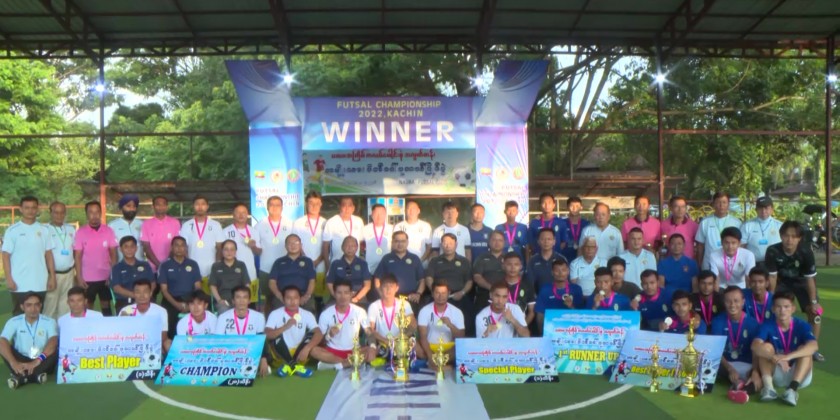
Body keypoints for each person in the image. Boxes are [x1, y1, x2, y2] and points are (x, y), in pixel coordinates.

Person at [764, 220, 822, 361]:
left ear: (799, 238)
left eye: (794, 236)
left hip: (801, 282)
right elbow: (772, 277)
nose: (789, 240)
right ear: (781, 236)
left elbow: (810, 279)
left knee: (816, 313)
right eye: (786, 236)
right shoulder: (772, 251)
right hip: (781, 282)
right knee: (774, 310)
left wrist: (814, 302)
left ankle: (812, 347)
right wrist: (771, 298)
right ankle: (774, 345)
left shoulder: (806, 252)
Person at [752, 292, 818, 406]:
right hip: (777, 373)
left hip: (799, 375)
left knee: (805, 349)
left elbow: (814, 346)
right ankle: (769, 388)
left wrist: (787, 357)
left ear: (793, 309)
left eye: (786, 307)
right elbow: (755, 346)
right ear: (773, 309)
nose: (782, 310)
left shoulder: (802, 325)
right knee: (765, 348)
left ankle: (792, 390)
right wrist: (774, 357)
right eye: (778, 307)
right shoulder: (767, 325)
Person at [2, 196, 55, 316]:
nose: (30, 211)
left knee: (38, 315)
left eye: (33, 208)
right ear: (21, 209)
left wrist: (52, 277)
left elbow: (49, 254)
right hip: (19, 283)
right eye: (27, 208)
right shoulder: (12, 231)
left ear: (37, 209)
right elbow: (5, 256)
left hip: (40, 283)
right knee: (19, 316)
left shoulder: (44, 230)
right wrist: (9, 279)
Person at [710, 286, 761, 404]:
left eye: (736, 301)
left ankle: (742, 390)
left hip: (747, 365)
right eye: (728, 301)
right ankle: (738, 385)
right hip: (726, 365)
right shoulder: (717, 321)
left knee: (760, 376)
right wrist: (729, 369)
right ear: (724, 302)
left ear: (743, 302)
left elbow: (756, 351)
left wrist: (754, 370)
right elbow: (717, 350)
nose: (732, 305)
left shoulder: (753, 323)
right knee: (707, 363)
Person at [310, 280, 375, 371]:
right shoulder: (326, 314)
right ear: (334, 294)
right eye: (339, 293)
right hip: (333, 352)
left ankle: (338, 365)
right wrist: (329, 335)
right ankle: (350, 363)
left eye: (346, 293)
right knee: (314, 350)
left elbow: (369, 332)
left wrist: (372, 346)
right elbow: (321, 340)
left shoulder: (359, 311)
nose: (343, 297)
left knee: (373, 350)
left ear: (351, 294)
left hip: (354, 351)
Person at [0, 293, 58, 389]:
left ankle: (21, 377)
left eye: (36, 305)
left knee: (56, 349)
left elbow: (53, 341)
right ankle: (36, 375)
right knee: (3, 345)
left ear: (40, 305)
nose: (33, 309)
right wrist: (13, 362)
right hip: (20, 359)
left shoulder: (50, 321)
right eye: (29, 305)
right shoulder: (14, 321)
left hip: (42, 359)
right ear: (22, 307)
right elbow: (2, 340)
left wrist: (37, 361)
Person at [265, 286, 321, 378]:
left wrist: (307, 349)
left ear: (300, 299)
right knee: (275, 336)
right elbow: (267, 335)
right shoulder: (275, 314)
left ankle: (289, 366)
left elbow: (319, 333)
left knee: (312, 334)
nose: (292, 301)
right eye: (289, 298)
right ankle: (295, 366)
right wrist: (285, 326)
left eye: (295, 298)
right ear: (283, 299)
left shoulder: (307, 314)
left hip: (300, 355)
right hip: (280, 356)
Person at [73, 201, 118, 316]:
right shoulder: (80, 232)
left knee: (106, 305)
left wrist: (112, 275)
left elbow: (113, 254)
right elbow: (77, 256)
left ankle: (108, 326)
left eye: (97, 212)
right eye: (91, 212)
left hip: (105, 277)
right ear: (86, 214)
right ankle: (88, 326)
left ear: (101, 213)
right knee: (88, 305)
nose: (94, 215)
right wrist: (79, 277)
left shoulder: (108, 231)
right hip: (87, 278)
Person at [214, 285, 269, 376]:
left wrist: (263, 360)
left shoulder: (259, 317)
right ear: (233, 300)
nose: (241, 301)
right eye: (238, 297)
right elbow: (218, 341)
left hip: (250, 354)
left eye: (245, 297)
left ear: (249, 300)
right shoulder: (223, 317)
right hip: (230, 354)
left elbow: (261, 340)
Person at [425, 233, 473, 336]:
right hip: (439, 297)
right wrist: (435, 293)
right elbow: (429, 278)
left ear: (456, 244)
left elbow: (469, 281)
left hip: (459, 297)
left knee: (467, 322)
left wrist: (462, 292)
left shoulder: (464, 261)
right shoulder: (434, 261)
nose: (447, 246)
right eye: (445, 243)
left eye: (451, 243)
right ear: (441, 245)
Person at [367, 274, 422, 363]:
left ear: (397, 288)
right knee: (367, 353)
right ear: (380, 288)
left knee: (419, 350)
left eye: (391, 286)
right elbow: (370, 329)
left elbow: (413, 324)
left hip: (401, 340)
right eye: (385, 286)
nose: (388, 290)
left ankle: (429, 365)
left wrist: (400, 338)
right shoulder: (374, 306)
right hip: (381, 341)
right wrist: (386, 341)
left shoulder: (404, 304)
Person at [158, 236, 202, 338]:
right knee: (170, 320)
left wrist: (192, 304)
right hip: (171, 300)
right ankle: (170, 343)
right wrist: (177, 304)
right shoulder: (165, 265)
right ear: (171, 248)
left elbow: (198, 287)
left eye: (182, 246)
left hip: (190, 299)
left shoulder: (193, 264)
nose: (179, 248)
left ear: (186, 248)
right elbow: (164, 290)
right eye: (176, 245)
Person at [179, 195, 225, 292]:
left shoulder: (216, 225)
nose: (200, 207)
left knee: (210, 298)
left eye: (203, 204)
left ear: (207, 206)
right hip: (192, 270)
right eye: (197, 204)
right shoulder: (186, 225)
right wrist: (189, 266)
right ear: (193, 206)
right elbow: (183, 248)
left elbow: (220, 248)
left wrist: (216, 267)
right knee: (193, 298)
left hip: (211, 270)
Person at [256, 196, 293, 311]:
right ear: (267, 207)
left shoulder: (290, 224)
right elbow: (257, 249)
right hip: (265, 269)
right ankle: (268, 321)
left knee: (285, 298)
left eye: (278, 205)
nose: (275, 207)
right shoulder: (259, 225)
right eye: (272, 205)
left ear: (282, 207)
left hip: (285, 269)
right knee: (267, 301)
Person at [418, 279, 465, 370]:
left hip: (448, 349)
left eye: (443, 293)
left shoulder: (457, 312)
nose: (440, 296)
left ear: (448, 294)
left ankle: (434, 364)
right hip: (430, 347)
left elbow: (461, 336)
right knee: (414, 345)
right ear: (432, 294)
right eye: (437, 293)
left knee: (461, 346)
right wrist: (430, 355)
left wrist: (450, 325)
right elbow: (423, 336)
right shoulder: (424, 310)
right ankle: (440, 365)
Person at [372, 231, 425, 309]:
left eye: (403, 241)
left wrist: (418, 294)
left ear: (407, 242)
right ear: (392, 242)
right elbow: (377, 279)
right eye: (397, 241)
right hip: (391, 298)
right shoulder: (386, 258)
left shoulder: (415, 258)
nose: (400, 244)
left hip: (411, 298)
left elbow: (422, 280)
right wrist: (381, 294)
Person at [292, 191, 328, 304]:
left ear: (321, 204)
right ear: (306, 204)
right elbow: (295, 243)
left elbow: (327, 245)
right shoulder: (298, 222)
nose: (314, 206)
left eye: (317, 203)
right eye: (311, 203)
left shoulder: (326, 223)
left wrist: (318, 260)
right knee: (305, 295)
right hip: (303, 264)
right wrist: (307, 260)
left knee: (320, 299)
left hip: (321, 264)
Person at [118, 280, 171, 354]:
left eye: (145, 292)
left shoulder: (161, 311)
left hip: (153, 345)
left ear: (150, 293)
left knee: (168, 343)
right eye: (138, 292)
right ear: (134, 294)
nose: (142, 295)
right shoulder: (125, 311)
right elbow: (121, 334)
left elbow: (163, 336)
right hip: (132, 346)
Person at [223, 203, 261, 305]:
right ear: (233, 215)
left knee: (250, 304)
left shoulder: (254, 231)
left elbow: (258, 252)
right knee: (233, 302)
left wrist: (253, 246)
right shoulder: (226, 231)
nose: (241, 215)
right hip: (231, 273)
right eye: (238, 212)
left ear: (247, 214)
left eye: (244, 212)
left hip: (250, 272)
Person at [267, 234, 317, 313]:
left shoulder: (308, 261)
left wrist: (306, 296)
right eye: (290, 243)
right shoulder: (278, 262)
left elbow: (312, 281)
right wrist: (279, 295)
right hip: (283, 296)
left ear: (301, 245)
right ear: (285, 246)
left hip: (303, 295)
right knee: (276, 311)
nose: (293, 245)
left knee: (309, 309)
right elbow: (272, 282)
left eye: (296, 243)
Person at [44, 201, 75, 320]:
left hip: (69, 273)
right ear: (50, 213)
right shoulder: (45, 230)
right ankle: (49, 331)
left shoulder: (71, 229)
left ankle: (63, 331)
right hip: (52, 275)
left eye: (62, 212)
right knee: (50, 308)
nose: (59, 215)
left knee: (66, 307)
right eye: (56, 212)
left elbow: (75, 251)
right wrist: (51, 276)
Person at [535, 259, 584, 333]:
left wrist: (571, 306)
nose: (560, 273)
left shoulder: (576, 289)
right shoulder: (545, 289)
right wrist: (542, 333)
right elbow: (540, 315)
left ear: (568, 272)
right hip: (550, 330)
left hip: (572, 330)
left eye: (563, 270)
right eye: (557, 270)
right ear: (552, 272)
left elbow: (581, 316)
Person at [695, 192, 741, 269]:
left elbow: (740, 245)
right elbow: (700, 245)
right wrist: (699, 264)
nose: (721, 205)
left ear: (728, 204)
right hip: (709, 264)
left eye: (724, 202)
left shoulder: (736, 222)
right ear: (713, 204)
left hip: (731, 265)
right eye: (718, 202)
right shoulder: (705, 222)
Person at [110, 236, 156, 313]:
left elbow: (153, 283)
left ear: (136, 248)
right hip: (126, 302)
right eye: (126, 247)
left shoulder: (145, 265)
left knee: (156, 313)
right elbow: (116, 288)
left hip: (146, 300)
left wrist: (145, 296)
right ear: (120, 249)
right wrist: (137, 296)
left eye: (132, 246)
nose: (129, 250)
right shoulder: (117, 268)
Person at [140, 196, 181, 275]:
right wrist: (158, 265)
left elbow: (177, 245)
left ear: (167, 206)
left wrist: (166, 264)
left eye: (163, 204)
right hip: (152, 269)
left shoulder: (175, 223)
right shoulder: (146, 224)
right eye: (158, 204)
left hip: (171, 266)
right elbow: (146, 247)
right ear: (153, 206)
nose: (161, 207)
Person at [322, 196, 364, 273]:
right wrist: (328, 267)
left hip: (355, 265)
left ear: (353, 208)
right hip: (336, 265)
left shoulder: (359, 221)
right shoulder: (331, 222)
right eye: (344, 205)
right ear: (339, 207)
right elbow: (325, 246)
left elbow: (360, 242)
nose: (347, 208)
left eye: (349, 205)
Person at [326, 236, 372, 306]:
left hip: (359, 297)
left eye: (352, 246)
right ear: (342, 247)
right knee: (327, 308)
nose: (350, 248)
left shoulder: (363, 264)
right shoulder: (335, 264)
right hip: (339, 297)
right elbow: (329, 283)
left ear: (357, 248)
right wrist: (336, 296)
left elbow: (367, 285)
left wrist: (357, 298)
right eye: (347, 245)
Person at [209, 240, 251, 313]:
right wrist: (219, 300)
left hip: (239, 299)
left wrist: (244, 299)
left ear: (235, 251)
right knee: (224, 310)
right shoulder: (216, 266)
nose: (229, 252)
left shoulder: (241, 265)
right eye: (226, 249)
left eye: (232, 249)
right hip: (223, 300)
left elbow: (247, 284)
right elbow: (212, 286)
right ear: (222, 251)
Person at [471, 230, 506, 313]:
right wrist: (492, 288)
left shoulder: (509, 258)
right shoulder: (481, 258)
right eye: (494, 240)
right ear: (489, 242)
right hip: (485, 294)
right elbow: (477, 277)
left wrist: (499, 291)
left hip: (505, 296)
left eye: (500, 240)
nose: (497, 243)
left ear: (504, 243)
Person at [741, 197, 782, 268]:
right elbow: (742, 247)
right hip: (753, 265)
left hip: (775, 264)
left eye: (766, 208)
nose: (763, 211)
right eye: (760, 208)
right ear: (756, 210)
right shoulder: (747, 225)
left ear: (772, 209)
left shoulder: (779, 225)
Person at [394, 200, 433, 266]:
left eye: (413, 209)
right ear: (405, 211)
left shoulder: (426, 226)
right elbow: (394, 246)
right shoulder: (398, 226)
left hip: (421, 263)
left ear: (418, 211)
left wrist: (420, 260)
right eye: (409, 209)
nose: (411, 211)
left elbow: (429, 247)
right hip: (403, 263)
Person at [501, 252, 536, 328]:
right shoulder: (498, 285)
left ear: (521, 266)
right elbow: (492, 310)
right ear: (503, 266)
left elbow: (531, 312)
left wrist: (522, 327)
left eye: (516, 264)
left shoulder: (528, 286)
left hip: (521, 324)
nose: (512, 268)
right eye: (509, 264)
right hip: (501, 325)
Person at [660, 195, 698, 261]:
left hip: (688, 263)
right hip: (669, 263)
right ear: (671, 208)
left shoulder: (694, 226)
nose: (680, 209)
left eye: (683, 206)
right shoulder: (663, 225)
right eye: (676, 206)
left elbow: (699, 246)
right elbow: (660, 245)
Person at [109, 194, 145, 263]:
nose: (131, 209)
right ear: (121, 207)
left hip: (140, 266)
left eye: (134, 206)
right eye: (128, 206)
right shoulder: (112, 225)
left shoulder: (142, 224)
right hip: (120, 266)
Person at [558, 196, 589, 263]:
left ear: (581, 207)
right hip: (564, 259)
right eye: (572, 206)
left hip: (582, 259)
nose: (574, 208)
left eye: (577, 206)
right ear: (567, 207)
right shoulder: (561, 223)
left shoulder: (587, 224)